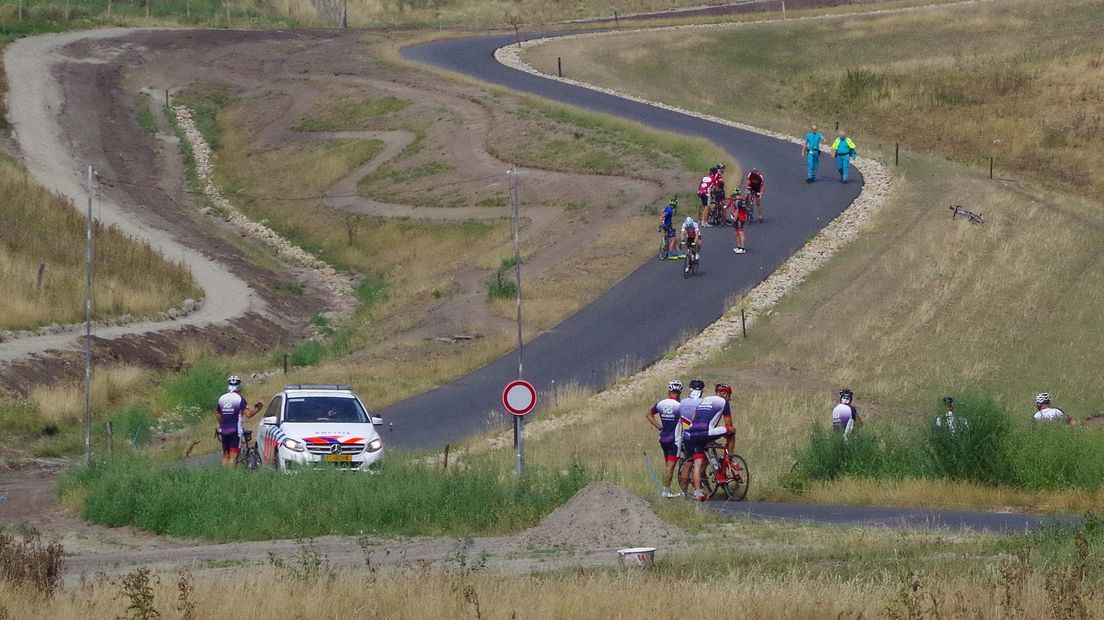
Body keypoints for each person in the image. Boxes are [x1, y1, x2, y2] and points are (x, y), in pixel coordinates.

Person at [681, 383, 734, 501]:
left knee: (697, 463)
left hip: (691, 433)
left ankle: (697, 493)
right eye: (729, 396)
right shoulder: (723, 402)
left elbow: (694, 416)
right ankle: (730, 457)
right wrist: (725, 433)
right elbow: (728, 423)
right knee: (732, 430)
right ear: (724, 394)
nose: (729, 398)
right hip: (706, 432)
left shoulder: (704, 400)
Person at [646, 380, 684, 498]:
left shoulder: (661, 403)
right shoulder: (680, 405)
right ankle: (666, 491)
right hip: (675, 440)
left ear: (669, 391)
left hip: (663, 438)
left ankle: (667, 490)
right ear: (680, 392)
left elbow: (648, 415)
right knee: (670, 466)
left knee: (668, 465)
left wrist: (658, 426)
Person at [215, 375, 263, 467]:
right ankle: (231, 478)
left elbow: (218, 414)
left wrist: (222, 424)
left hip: (224, 431)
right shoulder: (239, 399)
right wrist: (257, 409)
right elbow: (248, 414)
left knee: (225, 455)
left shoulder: (221, 398)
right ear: (239, 386)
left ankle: (223, 476)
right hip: (235, 432)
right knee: (233, 456)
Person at [729, 189, 748, 254]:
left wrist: (734, 219)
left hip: (739, 219)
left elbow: (737, 211)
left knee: (740, 233)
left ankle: (742, 248)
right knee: (737, 233)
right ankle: (739, 247)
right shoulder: (742, 200)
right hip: (742, 218)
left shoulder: (737, 202)